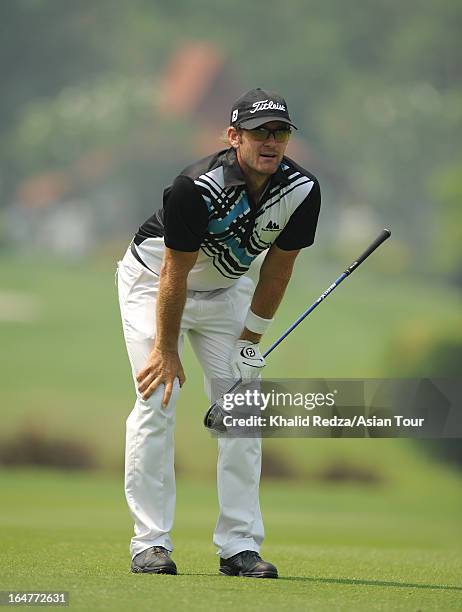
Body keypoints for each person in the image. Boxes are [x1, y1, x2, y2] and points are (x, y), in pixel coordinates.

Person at [116, 88, 321, 578]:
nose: (271, 141)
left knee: (243, 412)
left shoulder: (302, 190)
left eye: (281, 132)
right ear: (234, 137)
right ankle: (150, 544)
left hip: (227, 291)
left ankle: (239, 547)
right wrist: (166, 349)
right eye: (259, 132)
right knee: (157, 402)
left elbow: (276, 271)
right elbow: (174, 275)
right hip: (154, 284)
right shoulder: (195, 186)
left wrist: (250, 342)